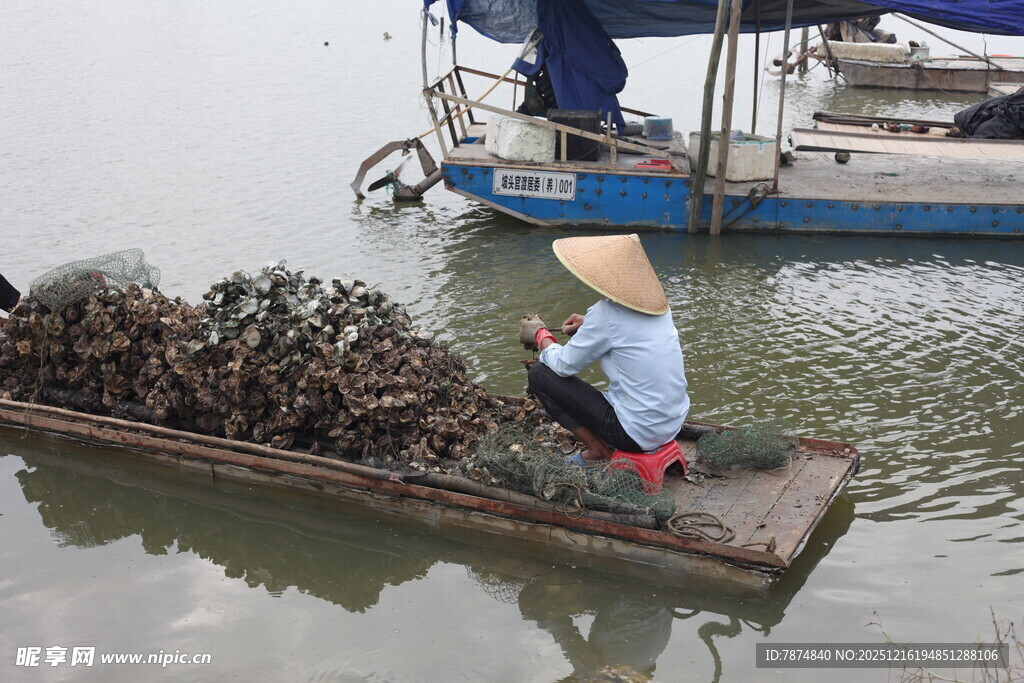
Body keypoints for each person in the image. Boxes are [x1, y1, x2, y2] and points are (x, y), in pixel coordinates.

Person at [518, 234, 689, 464]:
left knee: (539, 374)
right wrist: (588, 325)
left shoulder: (606, 314)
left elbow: (563, 365)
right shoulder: (660, 308)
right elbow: (627, 332)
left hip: (634, 434)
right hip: (672, 425)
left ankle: (598, 450)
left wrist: (541, 335)